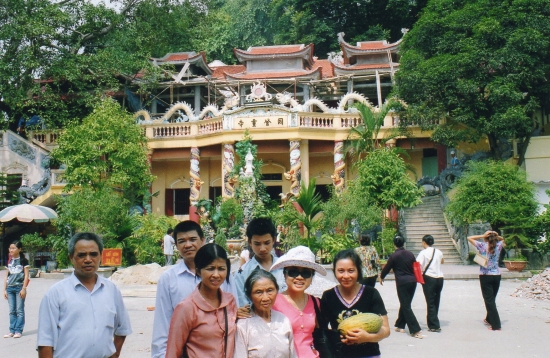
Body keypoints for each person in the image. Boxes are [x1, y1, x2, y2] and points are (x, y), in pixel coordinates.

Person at [151, 220, 238, 358]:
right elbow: (162, 324)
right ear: (176, 245)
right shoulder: (168, 279)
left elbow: (233, 315)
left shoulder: (222, 275)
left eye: (193, 239)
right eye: (182, 241)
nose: (188, 245)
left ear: (202, 240)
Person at [37, 233, 132, 358]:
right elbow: (45, 342)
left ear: (100, 256)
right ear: (71, 257)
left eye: (93, 254)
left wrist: (114, 355)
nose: (88, 260)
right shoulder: (55, 293)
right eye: (81, 255)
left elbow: (122, 328)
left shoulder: (111, 290)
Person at [165, 244, 237, 358]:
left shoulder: (230, 302)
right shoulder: (187, 307)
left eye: (221, 269)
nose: (216, 275)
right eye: (210, 269)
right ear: (198, 271)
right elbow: (173, 352)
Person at [320, 249, 390, 357]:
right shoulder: (328, 296)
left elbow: (386, 330)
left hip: (369, 354)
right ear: (334, 271)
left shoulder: (371, 294)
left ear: (358, 271)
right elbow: (322, 330)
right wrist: (337, 337)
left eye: (351, 270)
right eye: (341, 271)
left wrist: (367, 337)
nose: (346, 276)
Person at [269, 246, 326, 357]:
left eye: (305, 273)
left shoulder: (316, 302)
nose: (299, 277)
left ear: (312, 277)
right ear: (284, 274)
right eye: (293, 272)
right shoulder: (273, 302)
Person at [235, 268, 297, 358]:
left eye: (270, 290)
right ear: (249, 295)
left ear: (277, 290)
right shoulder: (243, 325)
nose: (266, 298)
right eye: (258, 292)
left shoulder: (283, 320)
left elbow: (292, 355)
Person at [234, 217, 286, 308]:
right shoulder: (242, 274)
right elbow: (243, 306)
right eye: (257, 244)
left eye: (266, 243)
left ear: (273, 240)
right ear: (250, 242)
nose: (262, 249)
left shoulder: (285, 267)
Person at [380, 235, 423, 339]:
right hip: (412, 281)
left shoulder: (394, 256)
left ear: (394, 244)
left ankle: (415, 329)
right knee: (405, 303)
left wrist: (381, 277)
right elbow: (415, 266)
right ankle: (400, 325)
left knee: (406, 306)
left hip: (402, 282)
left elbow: (387, 268)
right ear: (403, 243)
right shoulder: (410, 254)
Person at [467, 230, 505, 331]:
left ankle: (496, 325)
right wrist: (495, 235)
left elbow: (469, 238)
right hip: (496, 275)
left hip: (485, 275)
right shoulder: (499, 245)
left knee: (489, 300)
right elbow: (503, 239)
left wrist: (483, 235)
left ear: (486, 238)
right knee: (491, 299)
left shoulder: (482, 245)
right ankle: (489, 319)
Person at [416, 235, 444, 332]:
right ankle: (434, 320)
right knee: (436, 300)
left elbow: (417, 264)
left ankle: (434, 325)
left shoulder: (423, 253)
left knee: (430, 301)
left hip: (429, 277)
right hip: (440, 278)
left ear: (424, 242)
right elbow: (442, 261)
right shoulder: (439, 251)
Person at [3, 241, 29, 339]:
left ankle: (18, 330)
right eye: (10, 248)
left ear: (19, 249)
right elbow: (6, 276)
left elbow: (26, 275)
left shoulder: (23, 261)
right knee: (12, 310)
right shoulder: (9, 261)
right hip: (10, 288)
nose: (11, 250)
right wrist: (4, 290)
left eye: (13, 248)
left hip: (19, 287)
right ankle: (11, 330)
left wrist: (24, 288)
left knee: (19, 310)